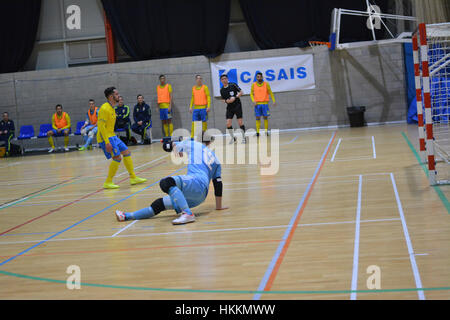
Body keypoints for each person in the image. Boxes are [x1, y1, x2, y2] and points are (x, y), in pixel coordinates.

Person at [115, 134, 228, 225]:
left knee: (166, 183)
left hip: (195, 182)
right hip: (200, 196)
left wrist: (174, 146)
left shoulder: (193, 144)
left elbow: (167, 146)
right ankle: (126, 216)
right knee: (159, 204)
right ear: (209, 143)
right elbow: (218, 183)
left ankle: (188, 214)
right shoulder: (216, 159)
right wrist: (218, 206)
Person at [98, 87, 147, 189]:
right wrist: (107, 142)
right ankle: (108, 182)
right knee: (117, 157)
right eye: (116, 94)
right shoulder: (104, 108)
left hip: (113, 135)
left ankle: (133, 177)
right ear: (111, 96)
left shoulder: (112, 108)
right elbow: (101, 127)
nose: (118, 96)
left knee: (126, 152)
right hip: (106, 137)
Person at [220, 74, 246, 144]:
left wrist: (235, 97)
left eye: (225, 78)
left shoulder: (233, 85)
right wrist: (226, 101)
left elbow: (241, 92)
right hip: (229, 107)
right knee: (228, 123)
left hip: (237, 105)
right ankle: (233, 138)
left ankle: (244, 138)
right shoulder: (222, 90)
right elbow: (223, 100)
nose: (224, 80)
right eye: (222, 79)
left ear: (227, 79)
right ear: (221, 81)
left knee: (240, 122)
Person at [250, 72, 276, 137]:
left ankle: (266, 131)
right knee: (257, 117)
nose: (259, 78)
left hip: (265, 104)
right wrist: (253, 101)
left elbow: (270, 92)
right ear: (256, 78)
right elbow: (251, 94)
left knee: (265, 117)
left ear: (262, 77)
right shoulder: (254, 85)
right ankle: (258, 132)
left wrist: (274, 101)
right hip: (257, 104)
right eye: (257, 77)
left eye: (260, 77)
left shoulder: (266, 84)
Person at [189, 75, 211, 139]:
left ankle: (205, 136)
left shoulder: (205, 87)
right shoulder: (193, 88)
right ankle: (192, 137)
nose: (199, 79)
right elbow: (192, 98)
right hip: (196, 108)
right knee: (194, 123)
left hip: (203, 108)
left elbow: (208, 97)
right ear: (196, 80)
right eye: (198, 78)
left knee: (204, 123)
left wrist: (208, 106)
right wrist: (190, 106)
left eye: (200, 78)